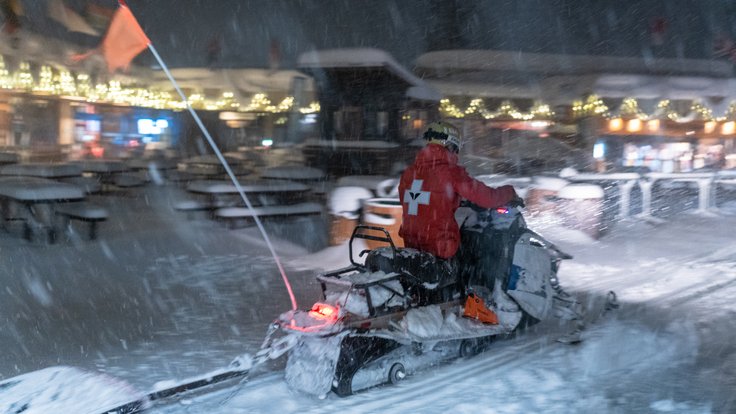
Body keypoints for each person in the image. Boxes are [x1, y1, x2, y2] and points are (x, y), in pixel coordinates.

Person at [398, 121, 521, 260]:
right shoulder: (451, 172)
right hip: (440, 245)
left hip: (412, 242)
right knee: (477, 253)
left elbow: (413, 201)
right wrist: (509, 192)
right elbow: (488, 198)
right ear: (451, 145)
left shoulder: (409, 173)